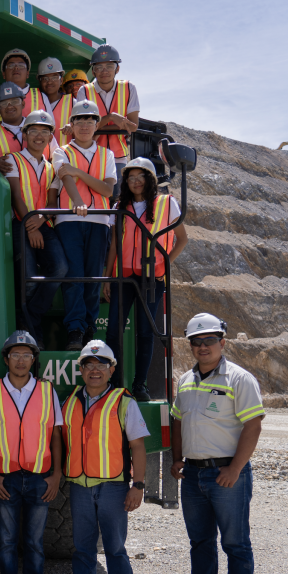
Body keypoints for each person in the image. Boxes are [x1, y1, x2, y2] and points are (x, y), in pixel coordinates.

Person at [167, 314, 264, 574]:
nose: (203, 347)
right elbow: (178, 420)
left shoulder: (239, 379)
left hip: (226, 474)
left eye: (209, 341)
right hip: (193, 474)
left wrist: (235, 469)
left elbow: (253, 425)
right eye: (197, 342)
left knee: (235, 543)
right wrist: (177, 458)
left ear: (222, 342)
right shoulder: (185, 380)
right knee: (200, 541)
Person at [59, 341, 149, 574]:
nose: (94, 370)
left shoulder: (124, 402)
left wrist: (139, 485)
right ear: (81, 369)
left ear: (112, 370)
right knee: (82, 547)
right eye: (88, 364)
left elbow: (137, 446)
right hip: (80, 487)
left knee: (115, 546)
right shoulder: (70, 401)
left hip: (113, 487)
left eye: (101, 365)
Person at [0, 331, 63, 574]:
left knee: (34, 544)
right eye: (15, 354)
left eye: (27, 355)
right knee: (6, 543)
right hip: (6, 480)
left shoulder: (46, 390)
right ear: (6, 359)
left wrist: (56, 475)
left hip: (40, 479)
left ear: (33, 360)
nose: (21, 360)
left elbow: (55, 435)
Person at [102, 158, 189, 401]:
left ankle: (140, 385)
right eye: (130, 177)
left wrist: (164, 267)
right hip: (124, 277)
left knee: (145, 333)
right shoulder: (121, 206)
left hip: (153, 279)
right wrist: (107, 279)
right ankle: (116, 383)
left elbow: (182, 239)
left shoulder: (167, 203)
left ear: (150, 179)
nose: (135, 181)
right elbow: (114, 247)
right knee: (113, 332)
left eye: (140, 176)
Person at [51, 98, 117, 350]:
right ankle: (75, 330)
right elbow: (64, 177)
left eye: (90, 119)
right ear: (72, 124)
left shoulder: (107, 154)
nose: (85, 124)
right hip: (69, 219)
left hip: (99, 220)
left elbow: (107, 189)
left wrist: (78, 173)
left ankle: (90, 328)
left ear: (97, 124)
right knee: (74, 277)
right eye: (79, 120)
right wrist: (77, 200)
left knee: (93, 278)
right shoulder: (61, 151)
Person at [5, 110, 66, 349]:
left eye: (44, 132)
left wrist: (41, 219)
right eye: (33, 131)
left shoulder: (52, 168)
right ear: (25, 134)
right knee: (29, 279)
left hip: (42, 223)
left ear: (51, 137)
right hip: (21, 224)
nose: (39, 136)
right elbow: (16, 197)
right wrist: (30, 226)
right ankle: (34, 336)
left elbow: (52, 202)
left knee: (61, 268)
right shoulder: (12, 160)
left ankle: (29, 316)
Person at [76, 45, 140, 199]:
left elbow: (133, 126)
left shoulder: (129, 88)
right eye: (99, 67)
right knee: (92, 201)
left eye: (109, 66)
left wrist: (98, 125)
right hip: (91, 156)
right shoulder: (84, 91)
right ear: (93, 71)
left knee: (118, 205)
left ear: (117, 69)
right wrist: (111, 118)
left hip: (119, 159)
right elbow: (83, 127)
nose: (104, 71)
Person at [0, 49, 40, 132]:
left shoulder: (41, 96)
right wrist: (15, 124)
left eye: (21, 65)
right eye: (11, 65)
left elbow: (50, 127)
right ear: (3, 74)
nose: (16, 68)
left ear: (28, 73)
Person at [35, 57, 73, 151]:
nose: (50, 81)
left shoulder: (73, 103)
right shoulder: (33, 101)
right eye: (45, 78)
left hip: (65, 159)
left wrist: (74, 127)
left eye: (54, 77)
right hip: (39, 161)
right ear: (39, 80)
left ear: (61, 80)